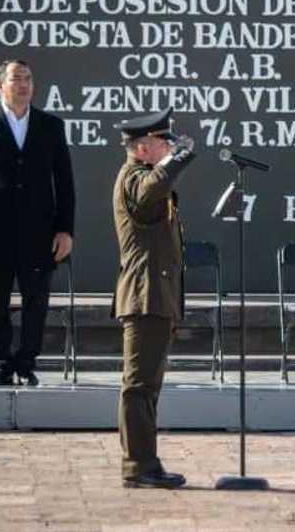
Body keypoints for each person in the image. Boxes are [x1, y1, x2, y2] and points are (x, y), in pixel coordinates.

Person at [0, 59, 75, 386]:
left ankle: (27, 361)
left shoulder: (50, 125)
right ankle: (3, 362)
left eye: (28, 79)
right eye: (15, 79)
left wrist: (65, 229)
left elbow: (64, 181)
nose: (22, 84)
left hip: (40, 232)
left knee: (37, 302)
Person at [112, 110, 195, 489]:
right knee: (139, 386)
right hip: (145, 296)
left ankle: (146, 462)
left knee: (148, 386)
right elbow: (149, 195)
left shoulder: (144, 175)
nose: (170, 146)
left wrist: (172, 159)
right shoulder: (134, 178)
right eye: (164, 142)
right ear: (143, 147)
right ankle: (138, 466)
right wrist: (176, 160)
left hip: (157, 296)